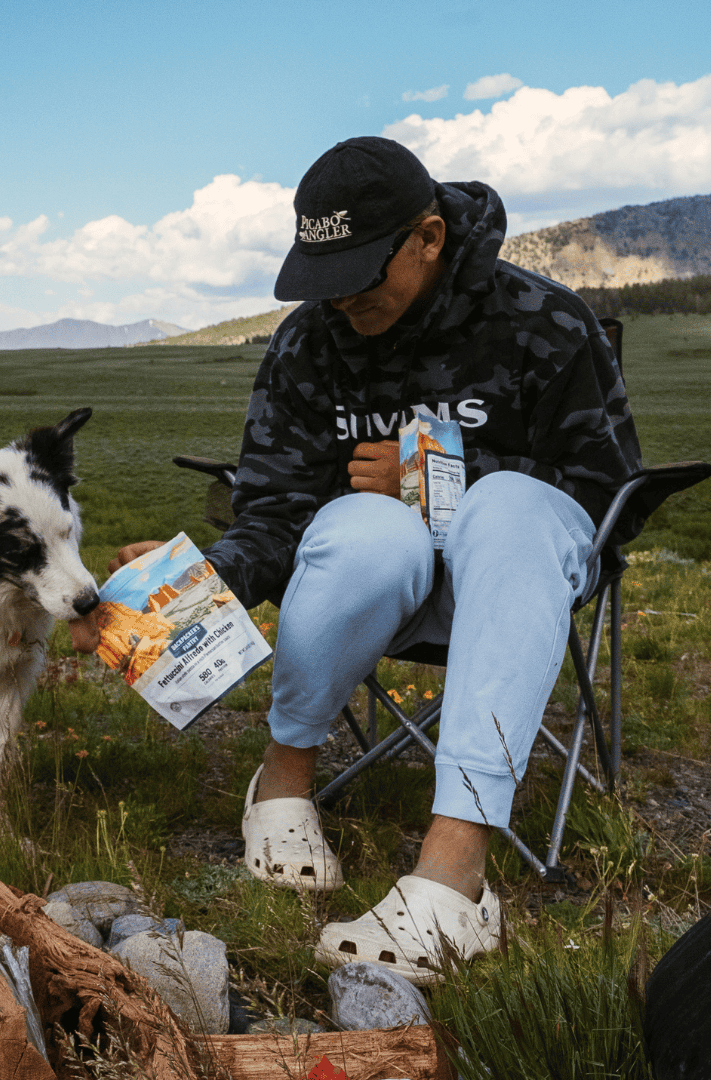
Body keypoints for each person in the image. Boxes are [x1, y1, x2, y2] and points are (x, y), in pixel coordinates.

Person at [71, 136, 641, 984]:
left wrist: (444, 477)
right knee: (368, 526)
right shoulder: (309, 345)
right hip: (381, 589)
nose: (339, 301)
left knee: (507, 506)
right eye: (323, 279)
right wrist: (179, 592)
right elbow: (272, 515)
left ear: (430, 237)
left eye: (362, 274)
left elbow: (607, 493)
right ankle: (284, 783)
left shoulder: (543, 322)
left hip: (517, 584)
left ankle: (456, 872)